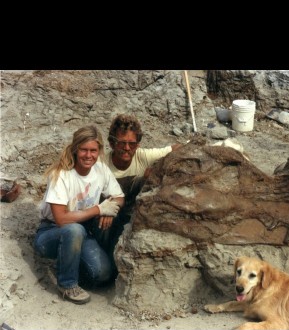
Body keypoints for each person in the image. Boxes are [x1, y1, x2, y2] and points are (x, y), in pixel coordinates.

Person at [33, 125, 125, 305]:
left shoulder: (101, 169)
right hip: (51, 234)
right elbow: (61, 219)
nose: (88, 155)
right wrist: (99, 209)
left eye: (93, 150)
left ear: (99, 151)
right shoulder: (61, 175)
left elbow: (120, 197)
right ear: (75, 149)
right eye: (84, 150)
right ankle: (67, 284)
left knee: (103, 274)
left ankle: (73, 262)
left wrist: (111, 207)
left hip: (81, 231)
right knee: (73, 229)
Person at [101, 114, 182, 255]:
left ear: (137, 144)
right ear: (112, 143)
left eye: (132, 144)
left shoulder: (142, 156)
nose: (127, 148)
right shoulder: (101, 165)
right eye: (122, 143)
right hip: (106, 218)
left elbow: (176, 148)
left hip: (131, 215)